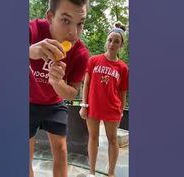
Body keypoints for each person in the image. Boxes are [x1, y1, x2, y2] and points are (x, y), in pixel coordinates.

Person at [29, 0, 90, 177]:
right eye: (65, 20)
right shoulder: (32, 30)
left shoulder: (80, 53)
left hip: (54, 104)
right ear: (50, 17)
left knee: (62, 150)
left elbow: (72, 91)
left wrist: (58, 83)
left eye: (80, 23)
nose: (74, 32)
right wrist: (29, 51)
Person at [79, 23, 129, 177]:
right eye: (110, 40)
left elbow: (122, 92)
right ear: (106, 41)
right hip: (93, 106)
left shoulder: (123, 68)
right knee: (93, 138)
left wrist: (120, 111)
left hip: (112, 108)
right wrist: (83, 105)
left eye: (116, 41)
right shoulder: (94, 60)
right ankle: (92, 173)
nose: (112, 44)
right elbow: (86, 83)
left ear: (121, 45)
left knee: (112, 140)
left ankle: (111, 173)